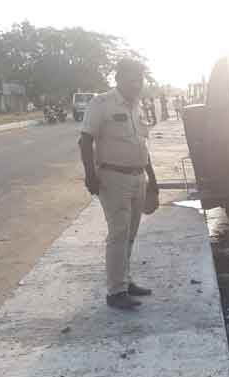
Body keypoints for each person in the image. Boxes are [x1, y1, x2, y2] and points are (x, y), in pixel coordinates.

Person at [78, 58, 158, 310]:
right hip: (113, 178)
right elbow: (85, 141)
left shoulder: (137, 106)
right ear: (119, 78)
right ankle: (115, 291)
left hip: (138, 177)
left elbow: (141, 145)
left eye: (140, 78)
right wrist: (90, 175)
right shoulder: (101, 103)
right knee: (119, 233)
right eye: (132, 78)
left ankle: (125, 281)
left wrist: (152, 180)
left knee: (131, 234)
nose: (137, 83)